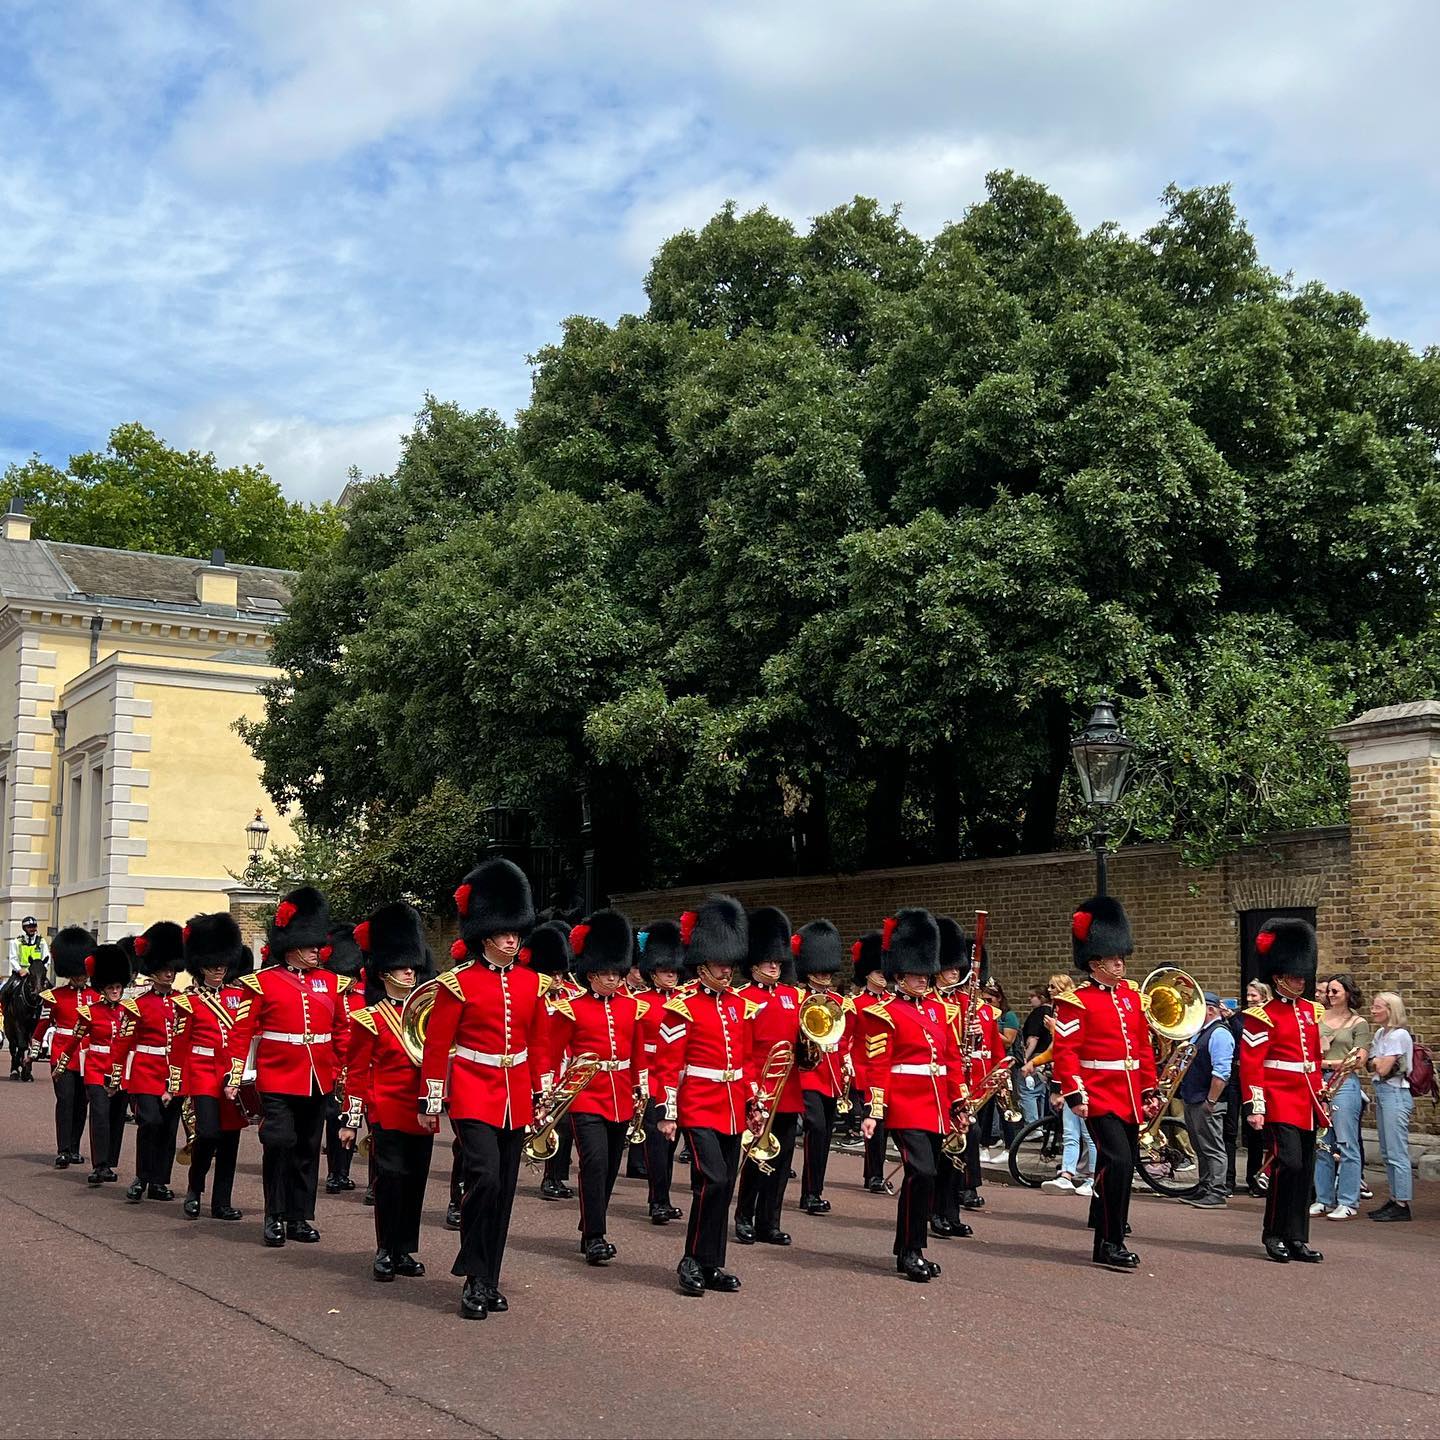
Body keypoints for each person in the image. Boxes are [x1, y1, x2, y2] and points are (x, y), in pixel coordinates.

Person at [417, 859, 549, 1321]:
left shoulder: (533, 982)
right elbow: (438, 1045)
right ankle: (473, 1274)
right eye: (505, 931)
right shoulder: (458, 984)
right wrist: (431, 1097)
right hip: (473, 1090)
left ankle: (489, 1277)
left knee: (506, 1189)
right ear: (485, 932)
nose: (513, 939)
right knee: (485, 1178)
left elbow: (538, 1042)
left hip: (516, 1093)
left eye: (517, 931)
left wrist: (543, 1088)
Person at [224, 887, 351, 1249]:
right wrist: (235, 1075)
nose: (317, 950)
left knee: (308, 1149)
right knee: (279, 1143)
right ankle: (274, 1215)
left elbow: (341, 1031)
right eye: (311, 945)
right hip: (278, 1076)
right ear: (292, 945)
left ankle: (298, 1216)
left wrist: (340, 1070)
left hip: (318, 1077)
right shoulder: (262, 984)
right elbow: (242, 1032)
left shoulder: (331, 983)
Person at [651, 895, 756, 1298]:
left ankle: (712, 1262)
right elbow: (668, 1065)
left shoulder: (740, 1007)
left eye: (730, 964)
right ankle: (692, 1259)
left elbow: (746, 1061)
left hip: (731, 1106)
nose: (727, 971)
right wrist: (668, 1110)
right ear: (702, 963)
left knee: (725, 1184)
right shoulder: (683, 1008)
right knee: (710, 1180)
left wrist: (753, 1103)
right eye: (720, 964)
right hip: (697, 1105)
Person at [1051, 895, 1161, 1271]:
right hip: (1097, 1092)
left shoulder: (1133, 998)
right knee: (1116, 1160)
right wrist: (1074, 1091)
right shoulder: (1075, 1002)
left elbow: (1143, 1049)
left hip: (1130, 1092)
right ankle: (1109, 1242)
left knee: (1124, 1165)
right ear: (1095, 962)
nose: (1121, 963)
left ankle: (1107, 1219)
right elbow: (1066, 1051)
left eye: (1121, 957)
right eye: (1114, 958)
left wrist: (1150, 1089)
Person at [856, 908, 967, 1283]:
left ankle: (913, 1246)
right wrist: (874, 1109)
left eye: (925, 973)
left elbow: (951, 1059)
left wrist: (959, 1101)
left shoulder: (941, 1012)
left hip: (936, 1103)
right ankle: (908, 1251)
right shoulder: (883, 1014)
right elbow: (878, 1065)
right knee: (920, 1171)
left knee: (928, 1176)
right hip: (904, 1102)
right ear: (899, 975)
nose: (922, 980)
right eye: (916, 974)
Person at [542, 908, 646, 1266]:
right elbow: (552, 1054)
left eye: (617, 973)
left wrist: (641, 1087)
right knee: (594, 1163)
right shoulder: (571, 1008)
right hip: (585, 1094)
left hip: (621, 1094)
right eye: (606, 973)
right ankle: (595, 1236)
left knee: (611, 1167)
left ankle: (590, 1221)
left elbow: (637, 1055)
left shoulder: (633, 1008)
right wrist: (547, 1095)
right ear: (590, 974)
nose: (614, 979)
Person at [342, 902, 435, 1281]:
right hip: (386, 1108)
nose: (409, 971)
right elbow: (358, 1070)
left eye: (411, 965)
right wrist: (352, 1118)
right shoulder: (370, 1018)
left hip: (420, 1108)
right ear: (383, 972)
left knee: (415, 1182)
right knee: (390, 1180)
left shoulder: (429, 1011)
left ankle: (404, 1250)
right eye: (401, 966)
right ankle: (385, 1248)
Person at [1239, 917, 1326, 1264]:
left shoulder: (1310, 1012)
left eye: (1303, 975)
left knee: (1304, 1169)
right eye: (1295, 976)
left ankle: (1296, 1237)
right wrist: (1255, 1105)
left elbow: (1314, 1060)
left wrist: (1320, 1098)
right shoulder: (1262, 1016)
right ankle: (1273, 1233)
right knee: (1286, 1164)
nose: (1301, 981)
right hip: (1277, 1101)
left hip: (1305, 1101)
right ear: (1279, 977)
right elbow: (1251, 1064)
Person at [733, 906, 805, 1249]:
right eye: (767, 961)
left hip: (788, 1089)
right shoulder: (743, 999)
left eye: (777, 961)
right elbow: (743, 1052)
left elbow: (803, 1041)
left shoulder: (795, 997)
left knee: (782, 1158)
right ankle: (744, 1216)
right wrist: (753, 1094)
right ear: (754, 963)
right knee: (755, 1157)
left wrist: (809, 1053)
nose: (774, 965)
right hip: (759, 1087)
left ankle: (770, 1222)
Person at [171, 914, 248, 1222]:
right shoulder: (188, 1001)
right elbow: (179, 1045)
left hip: (232, 1073)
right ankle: (194, 1188)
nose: (218, 971)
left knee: (230, 1139)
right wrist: (176, 1083)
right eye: (213, 966)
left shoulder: (238, 997)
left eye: (222, 966)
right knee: (208, 1133)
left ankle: (221, 1201)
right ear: (200, 967)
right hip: (202, 1072)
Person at [112, 921, 183, 1202]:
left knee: (168, 1128)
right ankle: (142, 1175)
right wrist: (117, 1076)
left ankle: (159, 1182)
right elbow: (123, 1043)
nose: (170, 973)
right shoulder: (137, 1005)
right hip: (145, 1072)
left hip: (172, 1073)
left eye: (173, 969)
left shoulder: (183, 1002)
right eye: (165, 969)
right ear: (152, 970)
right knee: (150, 1122)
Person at [55, 942, 130, 1184]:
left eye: (118, 986)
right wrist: (61, 1064)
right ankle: (99, 1165)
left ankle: (109, 1161)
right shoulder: (90, 1012)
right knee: (99, 1114)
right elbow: (75, 1040)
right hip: (96, 1069)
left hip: (119, 1071)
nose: (115, 991)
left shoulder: (130, 1012)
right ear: (103, 988)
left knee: (117, 1118)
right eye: (111, 987)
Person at [794, 919, 853, 1217]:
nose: (824, 977)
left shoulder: (839, 1002)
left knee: (825, 1133)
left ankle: (814, 1190)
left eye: (828, 972)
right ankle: (807, 1191)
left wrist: (846, 1064)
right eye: (819, 972)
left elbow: (845, 1038)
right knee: (815, 1126)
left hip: (831, 1077)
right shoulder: (798, 1000)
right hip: (806, 1075)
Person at [29, 926, 95, 1167]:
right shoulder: (53, 996)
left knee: (81, 1103)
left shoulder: (96, 996)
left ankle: (75, 1148)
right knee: (66, 1099)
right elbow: (42, 1025)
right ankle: (63, 1149)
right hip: (62, 1055)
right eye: (78, 972)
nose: (81, 976)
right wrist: (33, 1050)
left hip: (87, 1056)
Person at [634, 919, 685, 1224]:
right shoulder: (640, 1003)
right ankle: (657, 1199)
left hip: (678, 1078)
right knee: (656, 1140)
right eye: (666, 970)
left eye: (675, 970)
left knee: (671, 1141)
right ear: (653, 971)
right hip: (652, 1077)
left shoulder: (685, 1002)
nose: (671, 974)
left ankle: (664, 1195)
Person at [1310, 973, 1371, 1222]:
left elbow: (1359, 1059)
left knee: (1346, 1143)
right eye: (1329, 991)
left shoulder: (1359, 1023)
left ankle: (1348, 1200)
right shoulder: (1318, 1018)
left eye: (1335, 991)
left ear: (1348, 993)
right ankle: (1323, 1198)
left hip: (1345, 1084)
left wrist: (1326, 1061)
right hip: (1319, 1081)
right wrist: (1328, 1061)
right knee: (1322, 1142)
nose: (1330, 995)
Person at [1178, 991, 1236, 1209]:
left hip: (1207, 1100)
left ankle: (1217, 1191)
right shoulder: (1200, 1032)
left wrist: (1210, 1101)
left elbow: (1222, 1072)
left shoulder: (1219, 1034)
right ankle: (1204, 1186)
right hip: (1194, 1097)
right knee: (1200, 1146)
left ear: (1210, 1010)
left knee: (1213, 1147)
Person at [322, 924, 366, 1195]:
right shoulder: (329, 993)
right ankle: (332, 1172)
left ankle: (344, 1172)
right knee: (333, 1119)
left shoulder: (364, 993)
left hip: (357, 1067)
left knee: (352, 1119)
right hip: (334, 1066)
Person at [1366, 990, 1415, 1222]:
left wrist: (1377, 1062)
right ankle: (1395, 1197)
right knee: (1387, 1151)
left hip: (1396, 1092)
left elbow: (1383, 1068)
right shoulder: (1380, 1033)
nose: (1373, 1011)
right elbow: (1370, 1064)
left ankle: (1402, 1202)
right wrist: (1377, 1062)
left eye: (1378, 1007)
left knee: (1397, 1151)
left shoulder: (1399, 1035)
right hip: (1383, 1091)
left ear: (1390, 1010)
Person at [850, 931, 890, 1194]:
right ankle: (873, 1174)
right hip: (864, 1070)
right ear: (866, 974)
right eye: (877, 971)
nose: (882, 975)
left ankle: (876, 1171)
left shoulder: (894, 1003)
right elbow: (847, 1039)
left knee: (885, 1125)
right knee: (874, 1123)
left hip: (887, 1071)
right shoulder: (854, 1004)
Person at [980, 979, 1021, 1160]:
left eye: (990, 1000)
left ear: (999, 999)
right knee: (986, 1109)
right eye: (984, 1000)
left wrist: (987, 1028)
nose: (987, 1003)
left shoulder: (1008, 1016)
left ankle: (1010, 1148)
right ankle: (984, 1146)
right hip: (987, 1065)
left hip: (1003, 1063)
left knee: (1005, 1107)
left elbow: (1008, 1040)